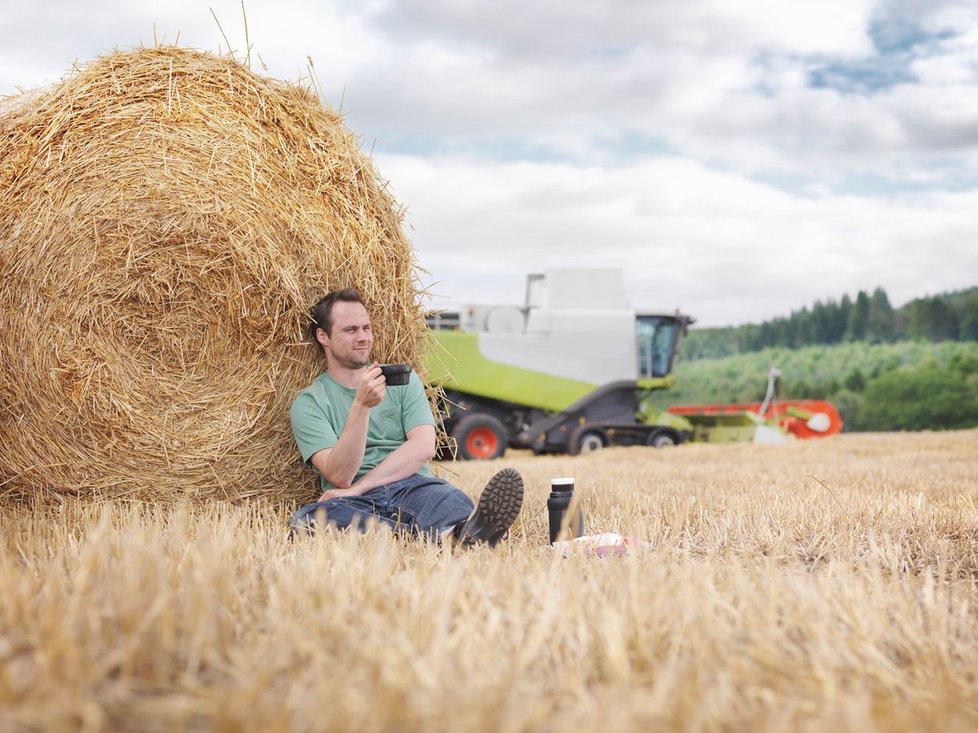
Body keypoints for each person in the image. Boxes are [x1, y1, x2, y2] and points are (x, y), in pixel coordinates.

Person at [288, 288, 523, 546]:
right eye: (350, 330)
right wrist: (361, 407)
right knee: (309, 520)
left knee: (450, 500)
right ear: (324, 337)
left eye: (366, 328)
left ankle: (420, 535)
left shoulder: (402, 381)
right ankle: (445, 537)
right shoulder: (309, 404)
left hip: (413, 487)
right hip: (354, 502)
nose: (363, 337)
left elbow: (423, 447)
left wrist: (360, 486)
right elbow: (341, 476)